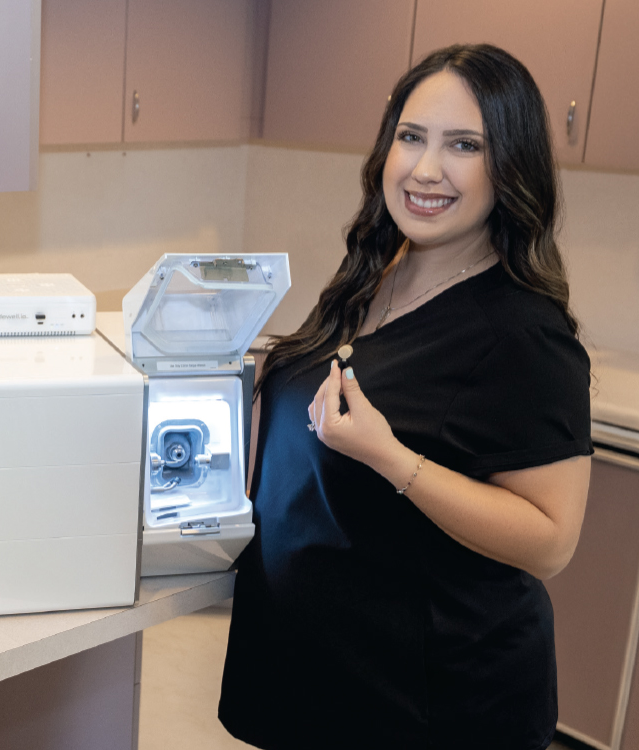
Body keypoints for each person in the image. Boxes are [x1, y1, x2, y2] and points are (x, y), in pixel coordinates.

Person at [218, 44, 593, 750]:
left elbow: (550, 541)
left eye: (464, 145)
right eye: (411, 137)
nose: (425, 169)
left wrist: (396, 460)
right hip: (319, 670)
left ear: (509, 165)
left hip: (430, 702)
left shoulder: (523, 334)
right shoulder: (375, 273)